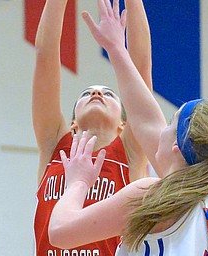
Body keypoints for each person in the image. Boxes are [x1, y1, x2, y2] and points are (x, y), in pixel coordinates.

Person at [48, 0, 208, 254]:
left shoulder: (151, 195)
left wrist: (78, 182)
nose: (161, 127)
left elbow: (60, 231)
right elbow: (144, 118)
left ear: (176, 146)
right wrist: (116, 48)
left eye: (170, 123)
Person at [32, 0, 152, 254]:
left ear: (123, 123)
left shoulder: (129, 154)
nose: (97, 92)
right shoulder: (54, 144)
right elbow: (45, 57)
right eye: (87, 93)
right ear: (72, 121)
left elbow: (142, 68)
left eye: (109, 94)